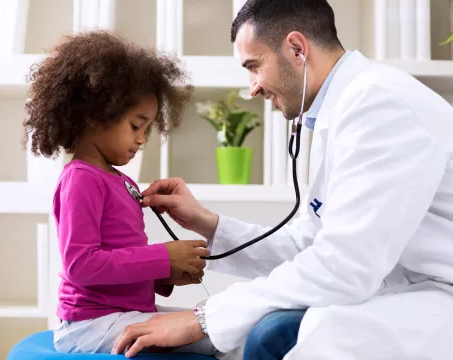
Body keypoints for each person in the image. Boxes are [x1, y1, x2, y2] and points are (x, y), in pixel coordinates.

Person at [111, 0, 453, 359]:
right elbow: (310, 244)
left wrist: (202, 319)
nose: (253, 88)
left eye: (253, 67)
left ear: (296, 49)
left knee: (289, 337)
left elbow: (344, 264)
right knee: (271, 332)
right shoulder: (344, 109)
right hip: (405, 289)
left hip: (438, 298)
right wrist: (208, 224)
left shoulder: (379, 106)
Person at [23, 31, 220, 357]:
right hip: (90, 325)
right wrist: (163, 256)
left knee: (220, 325)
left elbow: (120, 258)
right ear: (93, 114)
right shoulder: (81, 180)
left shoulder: (119, 179)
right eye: (135, 125)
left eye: (147, 128)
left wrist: (164, 275)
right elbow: (82, 265)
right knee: (217, 336)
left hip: (120, 315)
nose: (142, 139)